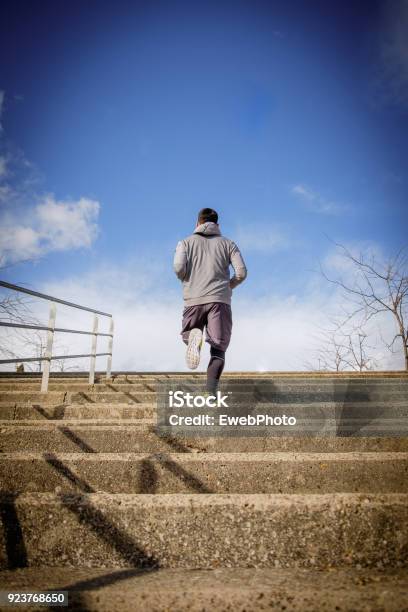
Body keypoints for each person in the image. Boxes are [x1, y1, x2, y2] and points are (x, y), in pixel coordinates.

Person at [173, 208, 247, 392]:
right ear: (217, 225)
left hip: (193, 299)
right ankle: (210, 391)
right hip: (219, 301)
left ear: (197, 223)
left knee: (188, 334)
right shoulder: (229, 244)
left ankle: (193, 338)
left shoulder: (185, 243)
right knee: (218, 347)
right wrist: (228, 286)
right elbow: (241, 273)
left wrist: (186, 278)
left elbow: (178, 267)